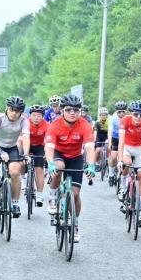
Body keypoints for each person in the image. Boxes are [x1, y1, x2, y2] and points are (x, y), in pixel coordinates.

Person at [45, 95, 96, 242]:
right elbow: (49, 148)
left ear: (80, 111)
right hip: (58, 153)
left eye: (76, 110)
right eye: (68, 110)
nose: (72, 113)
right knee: (58, 167)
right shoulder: (55, 125)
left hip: (75, 156)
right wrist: (50, 164)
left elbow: (89, 148)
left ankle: (75, 223)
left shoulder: (85, 125)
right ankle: (53, 197)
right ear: (62, 111)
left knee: (75, 194)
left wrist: (91, 165)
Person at [0, 97, 30, 218]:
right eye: (11, 109)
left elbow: (26, 138)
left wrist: (25, 154)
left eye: (17, 111)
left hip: (12, 147)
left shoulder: (24, 120)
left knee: (15, 172)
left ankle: (15, 204)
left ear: (21, 112)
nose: (14, 113)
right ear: (7, 108)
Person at [117, 100, 141, 228]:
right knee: (127, 163)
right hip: (127, 147)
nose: (138, 117)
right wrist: (120, 160)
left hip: (139, 149)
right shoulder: (125, 121)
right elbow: (121, 142)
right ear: (131, 114)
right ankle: (123, 187)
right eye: (135, 114)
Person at [28, 104, 48, 207]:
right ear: (30, 116)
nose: (36, 118)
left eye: (39, 115)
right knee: (21, 163)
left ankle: (39, 195)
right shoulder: (25, 123)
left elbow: (48, 140)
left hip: (40, 147)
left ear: (43, 117)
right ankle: (23, 179)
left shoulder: (46, 125)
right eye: (34, 115)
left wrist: (46, 153)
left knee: (39, 169)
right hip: (27, 145)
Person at [107, 101, 127, 186]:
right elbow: (110, 131)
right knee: (113, 157)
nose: (121, 113)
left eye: (123, 111)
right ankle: (111, 175)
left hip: (126, 139)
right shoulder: (113, 119)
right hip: (116, 138)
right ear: (116, 111)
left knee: (124, 157)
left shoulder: (128, 118)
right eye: (119, 111)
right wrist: (110, 143)